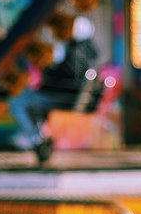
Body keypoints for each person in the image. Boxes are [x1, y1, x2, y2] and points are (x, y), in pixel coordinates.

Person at [8, 17, 100, 162]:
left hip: (60, 97)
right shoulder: (92, 54)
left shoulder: (73, 52)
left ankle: (36, 137)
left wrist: (45, 73)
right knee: (29, 100)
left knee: (18, 101)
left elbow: (59, 74)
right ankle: (39, 134)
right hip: (70, 99)